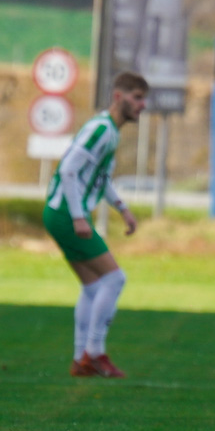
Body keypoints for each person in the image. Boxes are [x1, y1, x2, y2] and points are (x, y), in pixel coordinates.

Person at [43, 71, 148, 379]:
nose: (142, 105)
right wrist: (78, 216)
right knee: (114, 279)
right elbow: (70, 169)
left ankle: (81, 360)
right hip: (65, 212)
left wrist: (123, 210)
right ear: (119, 96)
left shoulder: (111, 132)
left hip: (62, 212)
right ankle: (95, 352)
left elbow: (100, 179)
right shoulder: (101, 129)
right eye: (137, 98)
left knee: (92, 286)